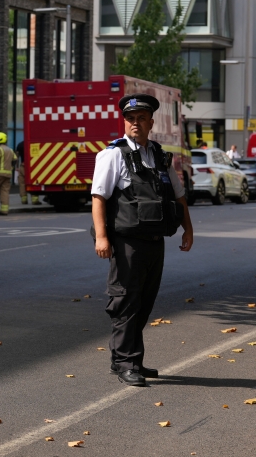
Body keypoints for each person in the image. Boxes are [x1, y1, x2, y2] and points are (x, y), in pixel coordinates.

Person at [91, 94, 194, 387]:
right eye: (130, 119)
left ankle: (125, 359)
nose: (135, 123)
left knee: (144, 303)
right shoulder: (113, 154)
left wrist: (188, 229)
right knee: (126, 302)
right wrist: (101, 237)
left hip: (154, 241)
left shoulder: (159, 156)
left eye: (141, 118)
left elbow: (178, 197)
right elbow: (98, 198)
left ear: (151, 122)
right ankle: (127, 362)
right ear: (125, 122)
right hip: (126, 243)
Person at [15, 140, 40, 205]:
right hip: (33, 166)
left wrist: (17, 167)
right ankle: (35, 200)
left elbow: (16, 157)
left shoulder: (20, 144)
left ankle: (24, 200)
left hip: (23, 165)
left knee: (22, 183)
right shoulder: (34, 143)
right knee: (34, 182)